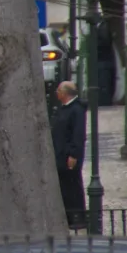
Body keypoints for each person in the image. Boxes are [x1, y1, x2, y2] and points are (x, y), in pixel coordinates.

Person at [50, 81, 87, 230]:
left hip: (69, 156)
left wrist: (73, 154)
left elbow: (78, 135)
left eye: (58, 91)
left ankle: (77, 217)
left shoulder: (76, 110)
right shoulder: (64, 109)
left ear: (64, 93)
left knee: (72, 186)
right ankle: (68, 216)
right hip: (60, 154)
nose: (56, 94)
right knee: (65, 186)